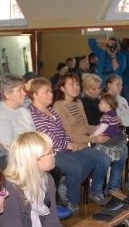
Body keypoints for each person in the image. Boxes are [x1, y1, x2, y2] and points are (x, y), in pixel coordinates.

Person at [28, 77, 103, 214]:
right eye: (46, 92)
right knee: (76, 167)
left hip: (65, 147)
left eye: (50, 91)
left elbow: (63, 131)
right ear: (35, 95)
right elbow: (47, 137)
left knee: (93, 159)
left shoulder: (50, 110)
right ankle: (71, 200)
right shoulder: (34, 114)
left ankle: (65, 187)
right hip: (51, 152)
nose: (51, 94)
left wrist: (70, 142)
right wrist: (67, 144)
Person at [53, 73, 113, 203]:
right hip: (72, 145)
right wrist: (95, 139)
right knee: (101, 159)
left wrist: (99, 128)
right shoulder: (59, 107)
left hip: (84, 142)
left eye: (77, 84)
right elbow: (69, 135)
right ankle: (91, 190)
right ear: (62, 88)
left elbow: (85, 126)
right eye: (71, 84)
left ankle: (89, 189)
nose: (76, 87)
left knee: (105, 157)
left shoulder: (78, 102)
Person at [0, 74, 35, 147]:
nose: (24, 93)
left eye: (23, 89)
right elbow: (8, 147)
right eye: (19, 90)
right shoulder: (0, 116)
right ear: (7, 94)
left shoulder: (23, 110)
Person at [90, 94, 128, 180]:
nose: (99, 105)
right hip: (116, 136)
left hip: (109, 139)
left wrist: (94, 135)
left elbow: (103, 127)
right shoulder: (113, 113)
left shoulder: (106, 116)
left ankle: (97, 175)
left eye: (101, 103)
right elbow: (106, 125)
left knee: (94, 148)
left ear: (107, 105)